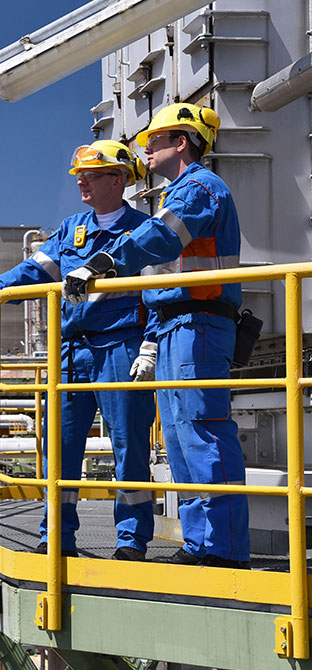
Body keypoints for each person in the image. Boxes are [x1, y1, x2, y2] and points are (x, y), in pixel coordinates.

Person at [61, 103, 250, 569]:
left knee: (201, 433)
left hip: (198, 322)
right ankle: (201, 543)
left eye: (154, 141)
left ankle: (223, 550)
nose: (144, 149)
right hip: (173, 325)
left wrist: (101, 263)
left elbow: (160, 240)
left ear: (180, 142)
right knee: (182, 441)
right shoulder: (174, 194)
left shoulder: (200, 188)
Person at [0, 139, 156, 561]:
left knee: (129, 447)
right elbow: (36, 268)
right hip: (71, 352)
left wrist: (150, 344)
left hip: (121, 346)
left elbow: (161, 295)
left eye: (91, 175)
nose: (82, 182)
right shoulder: (73, 229)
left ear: (119, 179)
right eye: (79, 176)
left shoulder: (144, 233)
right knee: (60, 447)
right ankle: (56, 535)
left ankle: (130, 541)